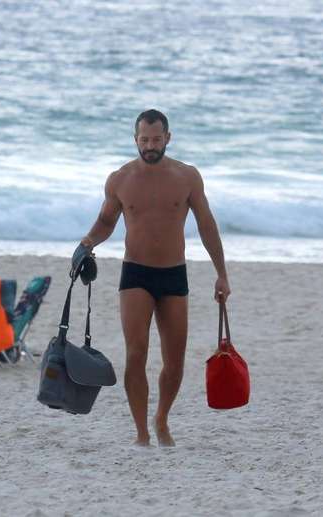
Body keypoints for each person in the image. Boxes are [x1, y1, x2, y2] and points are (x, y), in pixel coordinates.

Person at [75, 109, 230, 447]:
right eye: (144, 139)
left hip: (174, 273)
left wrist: (221, 274)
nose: (150, 145)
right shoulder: (120, 179)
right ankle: (141, 431)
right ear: (135, 140)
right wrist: (86, 243)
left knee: (174, 360)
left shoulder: (187, 177)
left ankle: (161, 418)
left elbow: (206, 225)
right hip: (136, 274)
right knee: (136, 352)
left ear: (167, 138)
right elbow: (105, 222)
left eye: (156, 139)